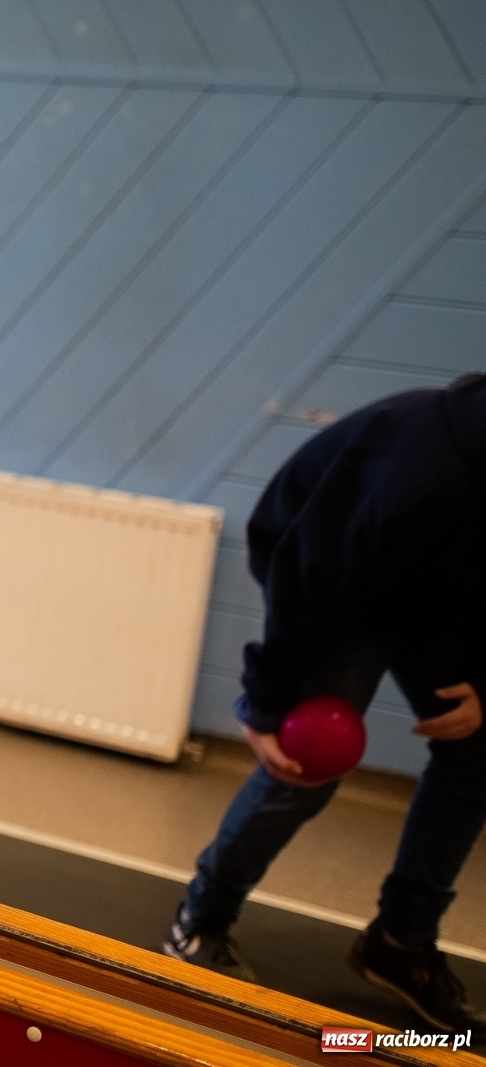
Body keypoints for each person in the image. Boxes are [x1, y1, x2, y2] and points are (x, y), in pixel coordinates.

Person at [163, 373, 486, 1032]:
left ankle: (399, 943)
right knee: (305, 764)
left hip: (439, 592)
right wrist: (267, 702)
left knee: (479, 748)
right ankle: (201, 916)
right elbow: (308, 573)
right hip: (336, 578)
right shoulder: (423, 472)